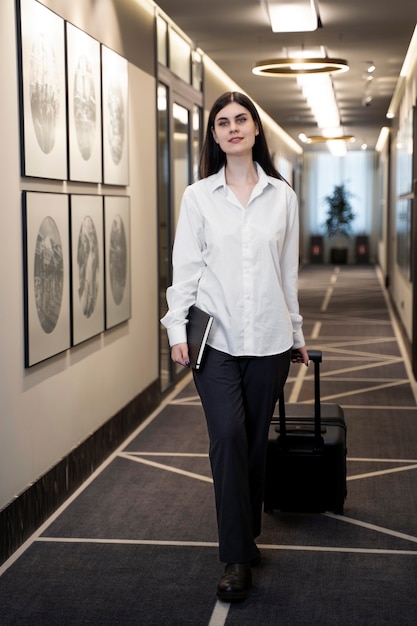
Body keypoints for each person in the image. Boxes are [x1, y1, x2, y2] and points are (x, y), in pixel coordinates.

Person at [161, 91, 308, 602]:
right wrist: (176, 331)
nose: (232, 129)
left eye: (240, 119)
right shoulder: (198, 196)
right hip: (216, 341)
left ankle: (244, 535)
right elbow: (185, 270)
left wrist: (297, 335)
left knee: (251, 446)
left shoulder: (282, 197)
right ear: (215, 136)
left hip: (268, 340)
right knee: (226, 437)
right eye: (222, 123)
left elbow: (286, 274)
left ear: (256, 129)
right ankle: (235, 557)